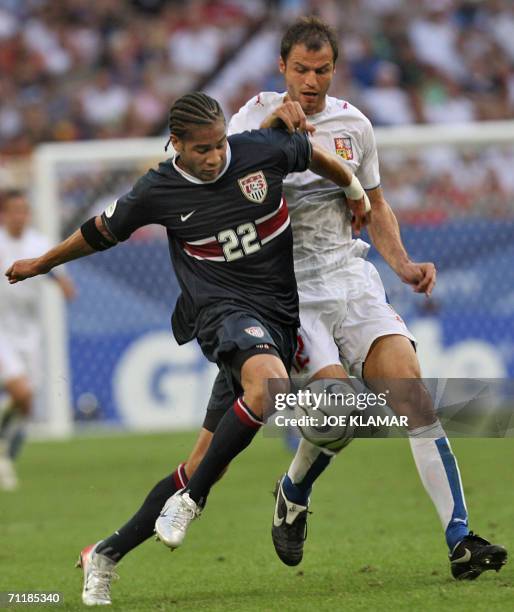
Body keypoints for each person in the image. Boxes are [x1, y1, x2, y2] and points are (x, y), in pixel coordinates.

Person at [5, 92, 371, 606]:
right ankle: (192, 502)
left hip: (277, 319)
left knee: (205, 462)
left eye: (220, 143)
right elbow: (99, 232)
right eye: (203, 149)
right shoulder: (159, 188)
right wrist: (42, 263)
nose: (216, 155)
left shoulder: (256, 150)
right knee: (270, 388)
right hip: (221, 314)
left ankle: (105, 554)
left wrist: (356, 189)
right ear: (176, 143)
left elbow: (313, 157)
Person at [225, 16, 507, 581]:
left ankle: (461, 539)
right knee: (338, 411)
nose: (311, 80)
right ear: (282, 67)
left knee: (413, 395)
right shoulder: (249, 119)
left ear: (335, 69)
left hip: (351, 277)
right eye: (301, 69)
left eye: (322, 69)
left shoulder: (354, 125)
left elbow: (375, 204)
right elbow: (229, 192)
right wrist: (271, 142)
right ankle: (294, 488)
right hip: (290, 288)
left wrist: (402, 263)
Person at [0, 190, 75, 491]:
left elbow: (48, 269)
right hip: (1, 330)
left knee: (27, 405)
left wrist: (63, 284)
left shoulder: (38, 243)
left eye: (23, 210)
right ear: (3, 214)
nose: (19, 215)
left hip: (29, 332)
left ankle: (5, 456)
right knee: (21, 393)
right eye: (13, 210)